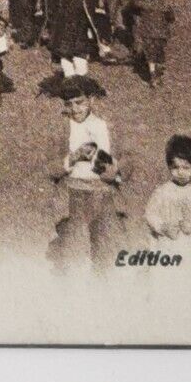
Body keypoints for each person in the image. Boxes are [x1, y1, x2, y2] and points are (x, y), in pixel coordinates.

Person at [46, 76, 127, 273]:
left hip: (104, 193)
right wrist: (73, 158)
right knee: (74, 252)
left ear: (91, 100)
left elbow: (127, 160)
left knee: (108, 251)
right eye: (69, 104)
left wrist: (110, 167)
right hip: (73, 192)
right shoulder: (61, 128)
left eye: (79, 102)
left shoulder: (104, 126)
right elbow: (50, 168)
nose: (75, 109)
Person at [143, 136, 191, 259]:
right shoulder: (162, 192)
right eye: (175, 167)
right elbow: (151, 214)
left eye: (186, 168)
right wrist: (163, 227)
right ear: (169, 167)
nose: (180, 172)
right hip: (169, 248)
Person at [135, 0, 176, 88]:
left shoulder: (144, 2)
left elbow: (134, 4)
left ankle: (153, 74)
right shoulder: (164, 4)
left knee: (150, 54)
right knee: (159, 52)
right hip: (162, 34)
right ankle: (158, 72)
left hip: (147, 33)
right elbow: (171, 17)